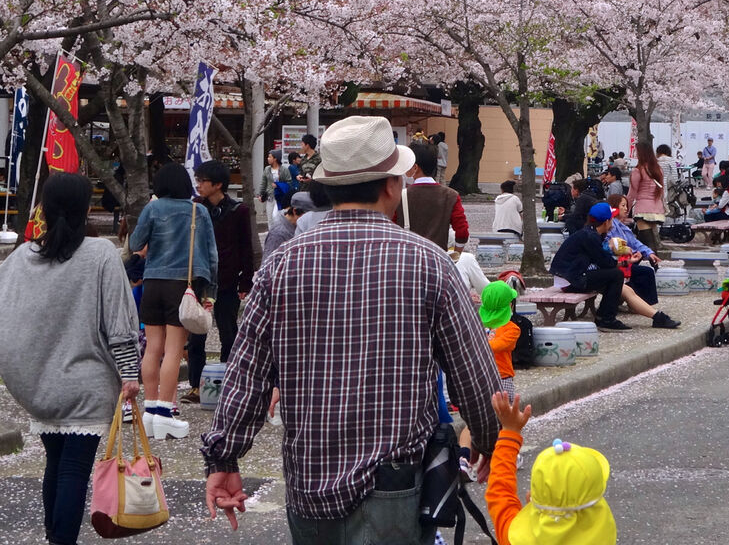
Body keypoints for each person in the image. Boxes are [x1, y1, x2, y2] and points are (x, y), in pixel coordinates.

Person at [201, 115, 503, 542]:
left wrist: (224, 458)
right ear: (392, 185)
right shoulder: (429, 264)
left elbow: (246, 374)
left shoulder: (282, 265)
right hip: (393, 484)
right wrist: (491, 439)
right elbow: (473, 375)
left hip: (308, 483)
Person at [0, 172, 140, 545]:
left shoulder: (24, 256)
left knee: (57, 464)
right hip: (87, 385)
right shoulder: (101, 254)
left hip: (38, 385)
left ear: (43, 210)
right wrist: (130, 374)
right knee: (74, 470)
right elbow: (120, 324)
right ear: (86, 209)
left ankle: (54, 537)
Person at [128, 162, 218, 440]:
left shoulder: (152, 209)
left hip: (153, 282)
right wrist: (210, 292)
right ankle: (166, 413)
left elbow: (135, 243)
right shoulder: (198, 211)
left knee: (153, 347)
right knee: (174, 350)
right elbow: (211, 255)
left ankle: (150, 408)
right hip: (182, 286)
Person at [486, 392, 617, 545]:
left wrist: (510, 432)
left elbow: (500, 492)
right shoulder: (603, 536)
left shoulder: (512, 538)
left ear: (532, 496)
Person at [184, 160, 255, 406]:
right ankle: (195, 385)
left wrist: (246, 280)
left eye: (203, 181)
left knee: (229, 333)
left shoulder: (239, 211)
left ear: (218, 185)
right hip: (200, 281)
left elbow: (247, 247)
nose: (199, 185)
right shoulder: (195, 208)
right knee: (195, 336)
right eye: (198, 180)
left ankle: (228, 382)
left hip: (227, 280)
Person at [549, 202, 679, 331]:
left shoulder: (590, 233)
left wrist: (626, 262)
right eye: (611, 218)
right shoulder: (590, 236)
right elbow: (606, 263)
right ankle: (606, 318)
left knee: (623, 285)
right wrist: (624, 260)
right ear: (606, 221)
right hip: (569, 280)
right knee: (616, 275)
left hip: (572, 276)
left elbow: (604, 262)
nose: (613, 221)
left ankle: (656, 317)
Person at [395, 140, 469, 249]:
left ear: (415, 167)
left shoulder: (400, 196)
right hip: (438, 259)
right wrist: (456, 255)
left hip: (408, 259)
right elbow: (462, 232)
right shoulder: (451, 195)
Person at [605, 196, 662, 305]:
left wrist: (649, 253)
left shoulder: (622, 226)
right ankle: (640, 304)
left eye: (626, 205)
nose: (626, 209)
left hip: (624, 260)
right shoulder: (610, 224)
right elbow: (611, 247)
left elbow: (635, 243)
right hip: (614, 262)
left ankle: (638, 302)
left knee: (643, 268)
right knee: (646, 272)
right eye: (623, 205)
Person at [480, 280, 521, 396]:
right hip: (500, 378)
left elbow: (494, 346)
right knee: (505, 411)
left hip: (493, 377)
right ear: (510, 306)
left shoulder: (476, 325)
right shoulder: (512, 329)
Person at [628, 141, 666, 252]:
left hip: (643, 208)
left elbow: (632, 194)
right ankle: (648, 264)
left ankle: (654, 264)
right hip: (657, 209)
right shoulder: (658, 170)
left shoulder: (638, 170)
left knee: (647, 241)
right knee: (647, 239)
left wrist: (626, 211)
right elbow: (662, 189)